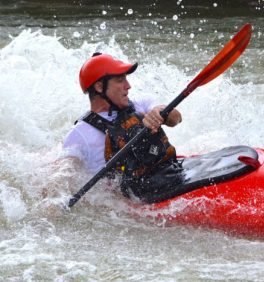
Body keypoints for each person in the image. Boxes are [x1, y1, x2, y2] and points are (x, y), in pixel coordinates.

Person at [62, 53, 183, 201]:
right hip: (126, 201)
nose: (128, 85)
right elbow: (63, 173)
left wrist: (160, 113)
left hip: (168, 173)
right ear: (99, 87)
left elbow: (177, 118)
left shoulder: (141, 104)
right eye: (120, 80)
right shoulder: (80, 135)